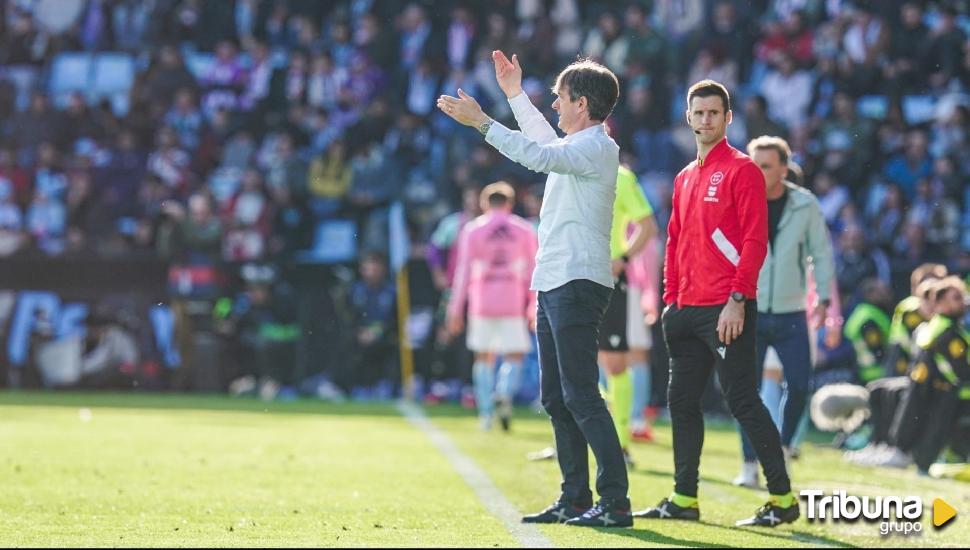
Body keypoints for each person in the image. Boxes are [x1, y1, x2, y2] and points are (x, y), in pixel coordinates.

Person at [438, 51, 631, 527]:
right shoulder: (582, 144)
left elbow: (538, 153)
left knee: (581, 394)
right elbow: (545, 142)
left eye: (560, 99)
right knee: (556, 397)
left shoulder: (597, 147)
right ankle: (576, 497)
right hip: (554, 280)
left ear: (581, 104)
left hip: (577, 281)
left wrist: (484, 123)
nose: (556, 106)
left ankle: (614, 500)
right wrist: (512, 95)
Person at [635, 80, 798, 527]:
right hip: (684, 309)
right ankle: (684, 498)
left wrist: (738, 299)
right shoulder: (685, 176)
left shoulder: (743, 169)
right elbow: (675, 239)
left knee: (743, 400)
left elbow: (754, 239)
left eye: (714, 113)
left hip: (725, 307)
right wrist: (671, 298)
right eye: (698, 113)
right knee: (681, 403)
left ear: (728, 118)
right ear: (688, 118)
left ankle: (783, 500)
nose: (705, 120)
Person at [732, 135, 836, 489]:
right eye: (754, 164)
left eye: (766, 165)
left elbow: (820, 253)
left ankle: (786, 448)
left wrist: (823, 297)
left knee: (800, 385)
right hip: (750, 308)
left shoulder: (804, 204)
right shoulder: (740, 198)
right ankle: (748, 463)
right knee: (745, 391)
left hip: (793, 311)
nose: (758, 171)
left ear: (783, 167)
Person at [447, 182, 538, 431]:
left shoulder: (473, 230)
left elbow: (463, 271)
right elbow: (533, 270)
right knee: (515, 354)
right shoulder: (524, 230)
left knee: (483, 356)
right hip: (512, 301)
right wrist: (534, 305)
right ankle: (505, 391)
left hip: (482, 302)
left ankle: (486, 414)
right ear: (510, 203)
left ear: (484, 203)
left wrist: (455, 309)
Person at [599, 164, 657, 466]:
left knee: (617, 363)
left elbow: (648, 225)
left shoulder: (620, 177)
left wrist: (622, 258)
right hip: (568, 276)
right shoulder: (563, 165)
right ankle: (570, 441)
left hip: (608, 280)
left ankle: (620, 442)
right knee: (571, 363)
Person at [885, 263, 948, 377]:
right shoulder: (909, 308)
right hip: (904, 361)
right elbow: (919, 341)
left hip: (929, 365)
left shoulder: (946, 309)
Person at [844, 278, 893, 385]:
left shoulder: (861, 312)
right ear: (870, 294)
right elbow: (877, 349)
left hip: (862, 373)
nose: (887, 294)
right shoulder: (869, 317)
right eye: (882, 291)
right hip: (875, 376)